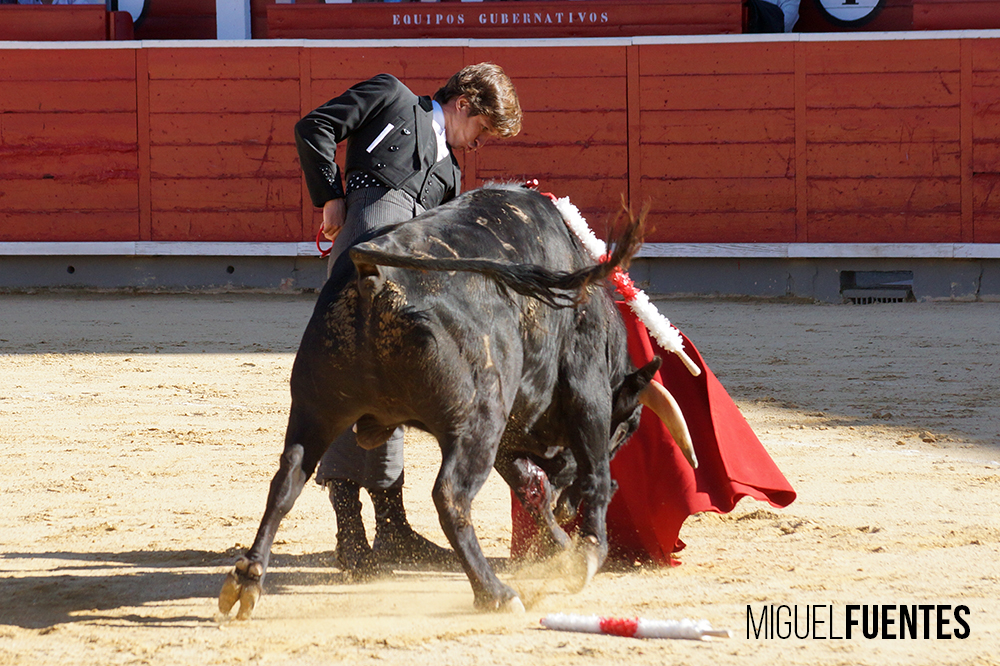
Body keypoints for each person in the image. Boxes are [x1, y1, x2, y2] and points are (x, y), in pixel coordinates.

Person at [294, 63, 522, 577]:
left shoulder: (453, 178)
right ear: (464, 102)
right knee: (350, 385)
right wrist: (331, 194)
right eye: (481, 129)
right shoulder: (392, 97)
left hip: (412, 285)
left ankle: (391, 527)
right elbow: (315, 127)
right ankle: (350, 535)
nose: (476, 143)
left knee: (396, 391)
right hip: (363, 262)